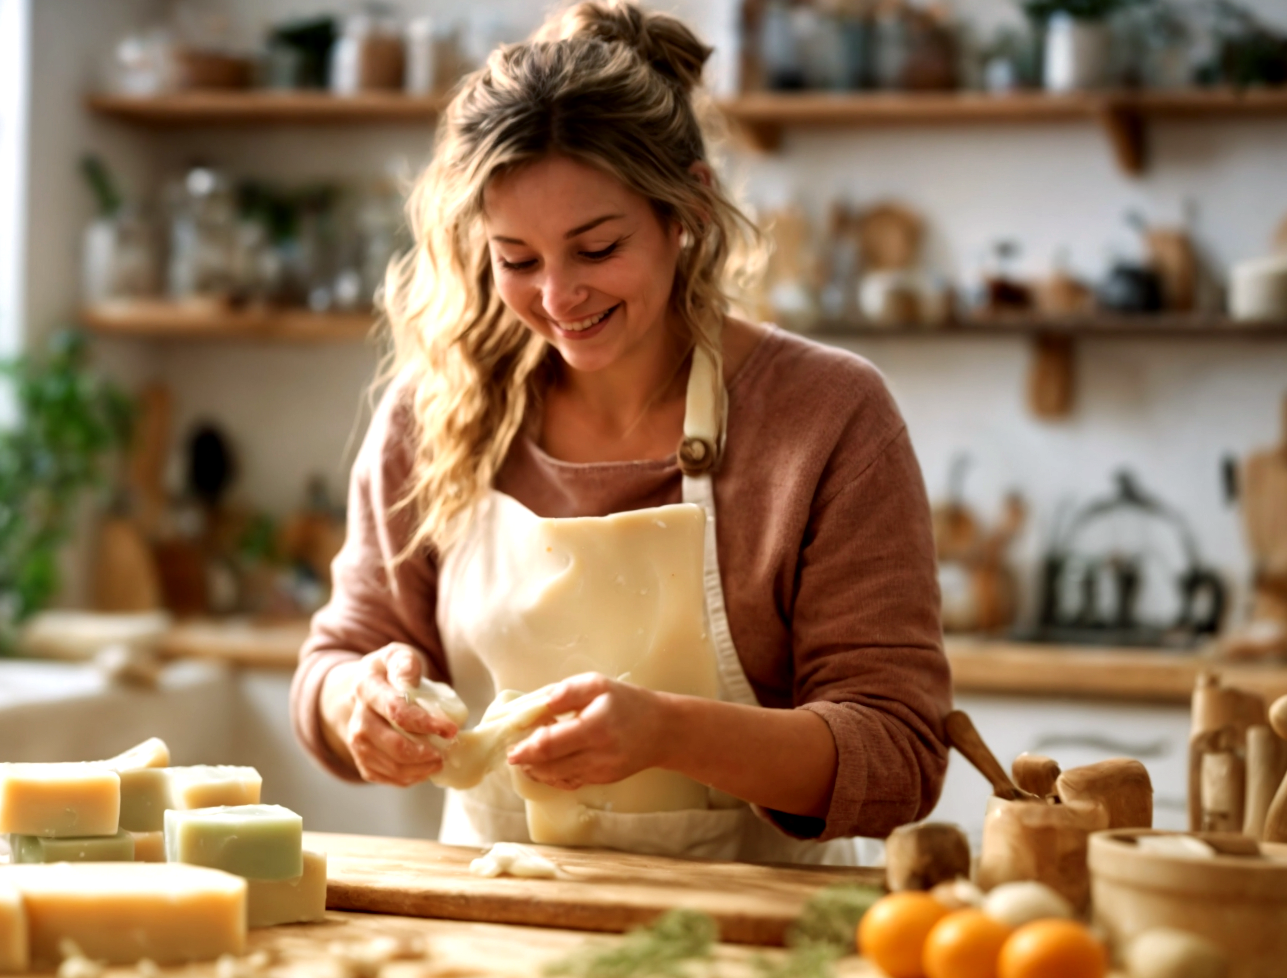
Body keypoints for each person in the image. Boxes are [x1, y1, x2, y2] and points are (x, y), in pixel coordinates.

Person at [291, 0, 951, 863]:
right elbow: (335, 657)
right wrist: (357, 705)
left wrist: (669, 732)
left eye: (597, 248)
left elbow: (898, 754)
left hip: (755, 953)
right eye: (516, 260)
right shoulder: (437, 411)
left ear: (687, 210)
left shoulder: (826, 415)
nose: (558, 298)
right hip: (490, 936)